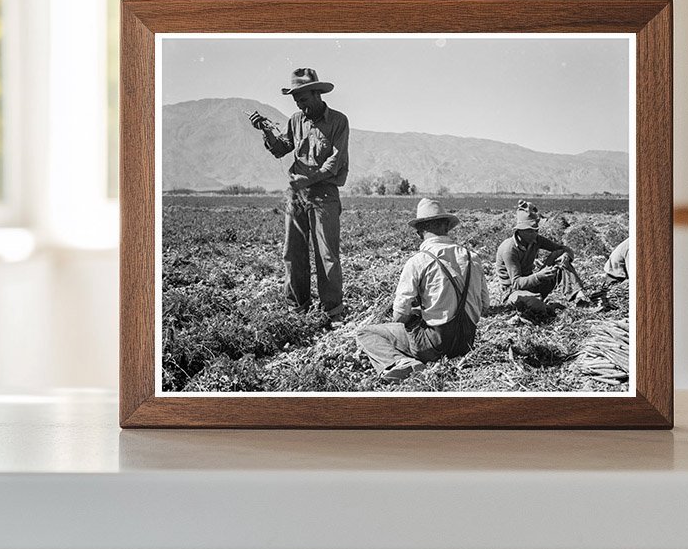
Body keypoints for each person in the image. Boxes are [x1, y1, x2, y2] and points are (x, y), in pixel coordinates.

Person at [249, 68, 349, 321]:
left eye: (303, 100)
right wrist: (266, 131)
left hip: (324, 194)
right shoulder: (295, 120)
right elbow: (281, 149)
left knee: (326, 254)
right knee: (293, 252)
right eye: (296, 101)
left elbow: (334, 165)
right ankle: (297, 309)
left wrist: (309, 179)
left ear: (316, 94)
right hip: (296, 195)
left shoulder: (338, 121)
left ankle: (333, 311)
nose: (300, 106)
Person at [356, 198, 490, 382]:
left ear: (420, 233)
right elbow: (484, 307)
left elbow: (399, 316)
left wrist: (417, 313)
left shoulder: (418, 261)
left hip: (434, 345)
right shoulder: (472, 258)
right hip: (465, 343)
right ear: (447, 227)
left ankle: (400, 363)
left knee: (366, 333)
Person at [495, 200, 586, 317]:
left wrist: (566, 255)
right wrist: (540, 276)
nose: (536, 233)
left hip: (532, 285)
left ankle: (579, 297)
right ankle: (547, 306)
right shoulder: (509, 250)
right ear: (521, 231)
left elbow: (564, 249)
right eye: (532, 231)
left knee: (559, 254)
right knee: (537, 305)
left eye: (537, 230)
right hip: (514, 292)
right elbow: (516, 283)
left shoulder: (535, 239)